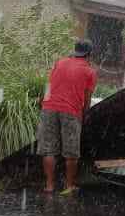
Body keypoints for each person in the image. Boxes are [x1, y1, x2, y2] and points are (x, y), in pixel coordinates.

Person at [38, 39, 97, 196]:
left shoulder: (60, 63)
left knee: (48, 149)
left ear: (75, 51)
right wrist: (84, 116)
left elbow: (49, 85)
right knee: (71, 152)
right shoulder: (90, 72)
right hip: (70, 111)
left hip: (48, 107)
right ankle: (69, 185)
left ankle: (49, 186)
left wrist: (45, 103)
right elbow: (87, 98)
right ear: (89, 54)